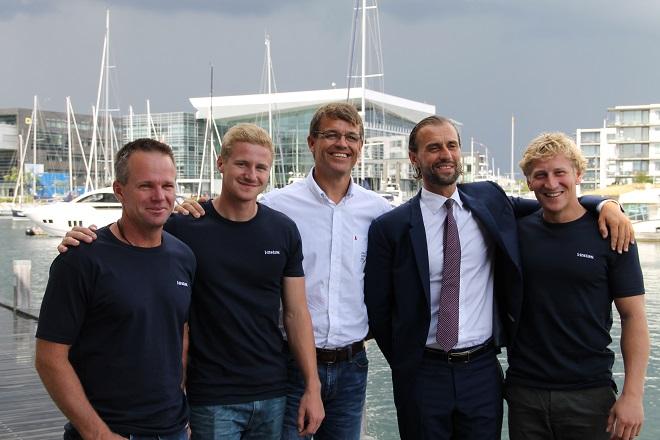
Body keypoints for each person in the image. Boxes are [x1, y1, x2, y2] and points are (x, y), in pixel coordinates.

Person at [363, 116, 634, 439]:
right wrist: (407, 361)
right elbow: (379, 308)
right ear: (414, 158)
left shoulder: (489, 200)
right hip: (423, 371)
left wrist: (606, 203)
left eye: (451, 145)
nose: (445, 154)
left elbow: (552, 201)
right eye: (433, 148)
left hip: (481, 371)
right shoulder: (390, 227)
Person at [59, 124, 324, 440]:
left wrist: (312, 385)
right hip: (210, 396)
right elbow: (133, 233)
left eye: (260, 167)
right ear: (221, 163)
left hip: (272, 390)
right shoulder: (184, 226)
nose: (251, 174)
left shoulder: (283, 230)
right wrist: (81, 238)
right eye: (241, 163)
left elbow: (296, 313)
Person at [177, 102, 392, 439]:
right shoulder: (277, 206)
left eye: (352, 137)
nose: (342, 143)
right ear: (311, 143)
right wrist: (189, 208)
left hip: (353, 364)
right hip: (288, 362)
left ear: (361, 147)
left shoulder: (379, 212)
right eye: (331, 135)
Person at [35, 138, 196, 440]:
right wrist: (98, 434)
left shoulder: (184, 256)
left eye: (168, 186)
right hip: (109, 431)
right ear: (119, 190)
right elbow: (49, 357)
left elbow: (180, 334)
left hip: (174, 429)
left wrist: (182, 414)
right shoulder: (82, 258)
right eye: (146, 185)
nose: (159, 196)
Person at [505, 132, 648, 440]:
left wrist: (633, 395)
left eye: (560, 173)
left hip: (590, 393)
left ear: (578, 174)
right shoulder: (516, 231)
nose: (551, 183)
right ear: (528, 182)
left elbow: (633, 316)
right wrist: (605, 201)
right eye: (540, 175)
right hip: (524, 393)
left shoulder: (612, 232)